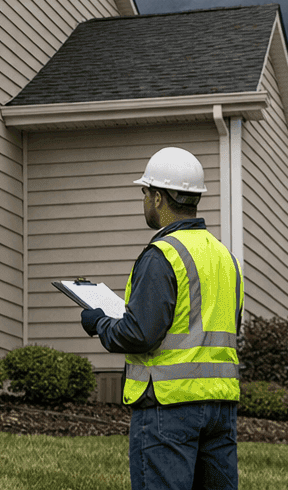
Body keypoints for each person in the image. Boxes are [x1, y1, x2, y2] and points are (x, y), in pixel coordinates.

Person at [78, 146, 243, 490]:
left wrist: (100, 323)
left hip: (169, 407)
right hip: (220, 407)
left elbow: (139, 335)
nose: (144, 199)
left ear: (158, 198)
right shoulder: (225, 258)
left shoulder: (163, 255)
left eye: (145, 191)